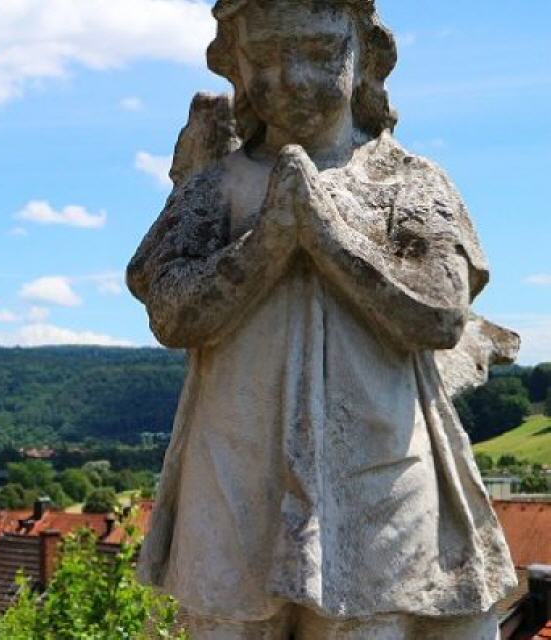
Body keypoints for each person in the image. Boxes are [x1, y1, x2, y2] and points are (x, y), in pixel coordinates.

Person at [126, 1, 516, 638]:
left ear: (364, 57)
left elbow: (441, 313)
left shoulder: (409, 182)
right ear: (236, 63)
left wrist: (326, 234)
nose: (291, 78)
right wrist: (269, 239)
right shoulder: (217, 185)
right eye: (265, 57)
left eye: (317, 51)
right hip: (235, 484)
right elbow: (171, 312)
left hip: (378, 488)